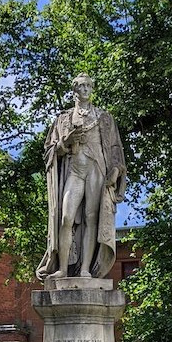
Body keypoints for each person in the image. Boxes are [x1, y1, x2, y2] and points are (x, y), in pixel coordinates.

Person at [37, 74, 126, 281]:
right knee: (66, 217)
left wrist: (115, 170)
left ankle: (85, 268)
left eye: (88, 85)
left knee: (91, 217)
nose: (85, 89)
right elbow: (49, 151)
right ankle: (63, 269)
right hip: (74, 171)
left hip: (96, 170)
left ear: (92, 89)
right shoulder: (63, 119)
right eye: (81, 86)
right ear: (74, 90)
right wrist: (64, 143)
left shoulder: (104, 118)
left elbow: (115, 149)